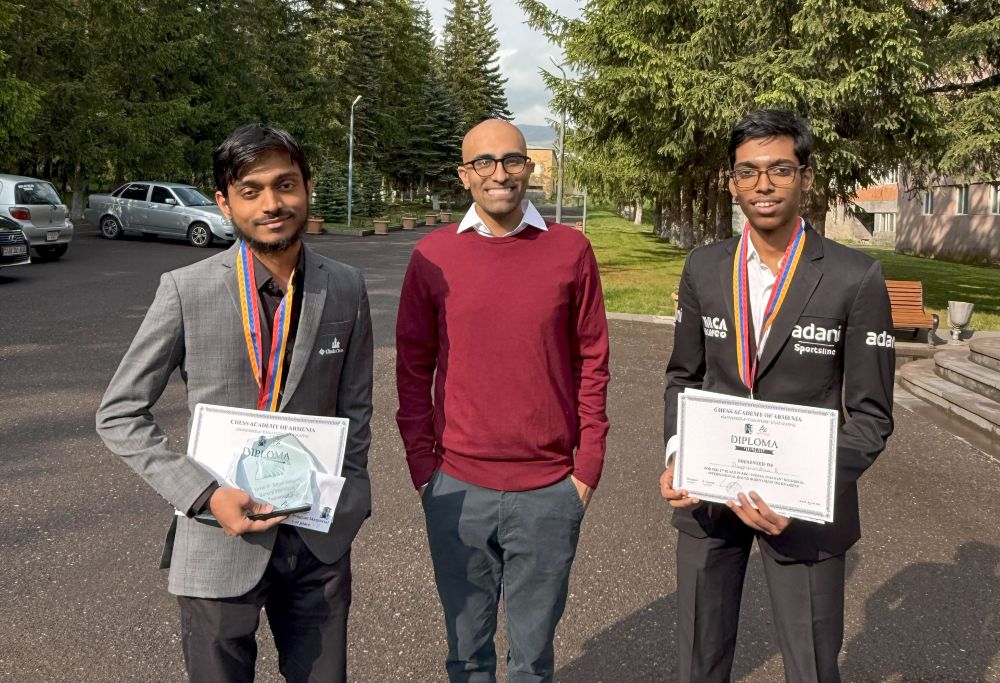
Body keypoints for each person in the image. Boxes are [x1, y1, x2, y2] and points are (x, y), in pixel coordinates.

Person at [96, 123, 373, 683]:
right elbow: (119, 414)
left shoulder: (345, 286)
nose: (272, 204)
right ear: (225, 202)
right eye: (251, 190)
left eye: (285, 185)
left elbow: (356, 408)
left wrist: (346, 497)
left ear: (307, 187)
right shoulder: (186, 288)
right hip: (219, 537)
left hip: (315, 541)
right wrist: (203, 494)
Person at [660, 110, 895, 682]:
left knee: (811, 667)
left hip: (803, 511)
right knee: (697, 663)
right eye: (748, 172)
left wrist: (808, 489)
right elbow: (684, 377)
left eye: (780, 169)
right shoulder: (704, 267)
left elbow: (871, 417)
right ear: (732, 182)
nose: (763, 184)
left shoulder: (854, 276)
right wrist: (678, 455)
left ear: (806, 178)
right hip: (710, 497)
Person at [395, 119, 610, 682]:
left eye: (512, 160)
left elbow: (592, 361)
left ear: (529, 168)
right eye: (484, 162)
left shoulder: (570, 250)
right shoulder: (433, 255)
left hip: (549, 490)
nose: (500, 173)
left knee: (532, 660)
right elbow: (413, 368)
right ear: (464, 175)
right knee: (466, 654)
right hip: (457, 489)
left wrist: (588, 464)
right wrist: (423, 468)